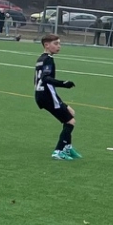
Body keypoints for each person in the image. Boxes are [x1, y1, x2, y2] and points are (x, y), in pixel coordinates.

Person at [34, 32, 79, 160]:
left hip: (42, 94)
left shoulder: (41, 58)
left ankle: (67, 147)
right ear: (46, 45)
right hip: (47, 96)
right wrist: (63, 84)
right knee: (70, 121)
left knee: (71, 112)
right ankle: (58, 151)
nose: (59, 46)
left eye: (59, 43)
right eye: (56, 43)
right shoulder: (48, 59)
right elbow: (46, 78)